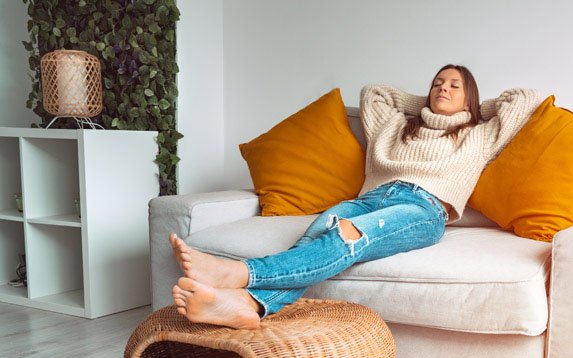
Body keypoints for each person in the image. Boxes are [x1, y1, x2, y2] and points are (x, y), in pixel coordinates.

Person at [170, 64, 542, 329]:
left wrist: (472, 110)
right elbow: (374, 93)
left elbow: (522, 100)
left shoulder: (479, 134)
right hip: (371, 198)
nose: (442, 88)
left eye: (454, 86)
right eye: (437, 83)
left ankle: (238, 273)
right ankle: (249, 305)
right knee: (313, 240)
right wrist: (426, 108)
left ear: (469, 98)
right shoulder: (397, 126)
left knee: (345, 236)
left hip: (423, 207)